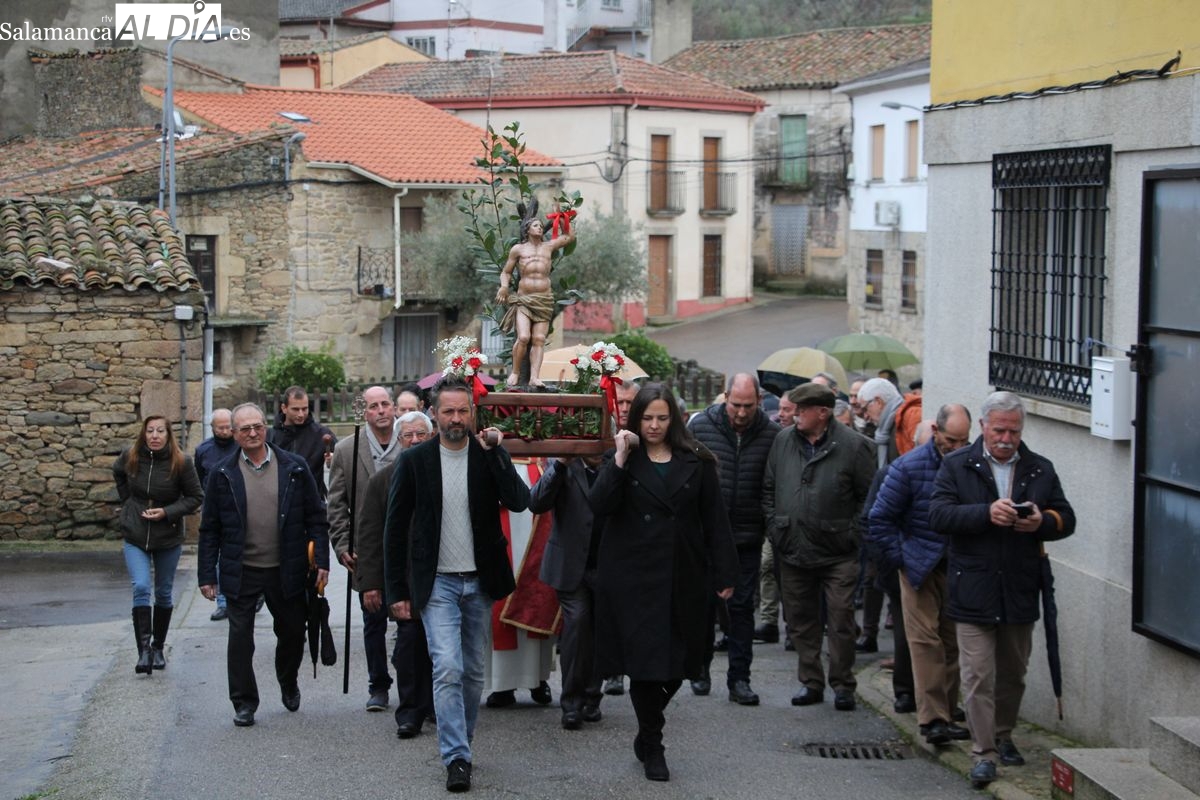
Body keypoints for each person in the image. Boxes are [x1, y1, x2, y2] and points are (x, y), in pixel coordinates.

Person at [383, 378, 530, 793]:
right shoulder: (415, 462)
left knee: (472, 673)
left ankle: (462, 740)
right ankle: (457, 756)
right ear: (433, 413)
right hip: (438, 585)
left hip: (479, 582)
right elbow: (395, 531)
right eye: (448, 411)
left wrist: (498, 451)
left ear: (472, 413)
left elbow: (521, 501)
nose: (455, 419)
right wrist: (397, 592)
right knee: (447, 667)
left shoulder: (486, 457)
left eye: (463, 411)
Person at [589, 383, 738, 782]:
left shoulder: (697, 460)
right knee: (644, 664)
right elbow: (599, 506)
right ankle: (653, 744)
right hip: (631, 577)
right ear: (634, 418)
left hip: (683, 573)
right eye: (647, 417)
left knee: (682, 662)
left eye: (661, 417)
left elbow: (715, 520)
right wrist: (620, 458)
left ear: (674, 419)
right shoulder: (621, 458)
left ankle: (647, 728)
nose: (653, 425)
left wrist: (725, 573)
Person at [930, 391, 1076, 789]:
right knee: (978, 674)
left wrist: (1042, 522)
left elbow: (1067, 518)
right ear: (983, 427)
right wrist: (985, 513)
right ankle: (983, 753)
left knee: (1013, 673)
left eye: (1013, 431)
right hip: (973, 587)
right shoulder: (958, 464)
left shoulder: (1039, 469)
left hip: (1019, 586)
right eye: (999, 430)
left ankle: (1004, 734)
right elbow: (938, 514)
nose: (1006, 438)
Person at [197, 403, 330, 728]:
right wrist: (205, 574)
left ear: (265, 428)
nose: (253, 433)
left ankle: (287, 679)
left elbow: (316, 517)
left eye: (257, 426)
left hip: (287, 568)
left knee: (292, 632)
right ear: (235, 434)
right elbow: (209, 527)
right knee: (240, 637)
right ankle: (244, 702)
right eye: (245, 429)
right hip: (241, 569)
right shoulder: (222, 473)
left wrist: (322, 562)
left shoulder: (294, 468)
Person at [762, 383, 875, 712]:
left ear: (822, 413)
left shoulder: (855, 446)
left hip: (838, 551)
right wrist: (775, 526)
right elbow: (768, 487)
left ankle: (843, 684)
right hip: (793, 547)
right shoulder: (783, 441)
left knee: (840, 619)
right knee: (800, 619)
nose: (794, 414)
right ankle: (810, 681)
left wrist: (852, 535)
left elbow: (868, 499)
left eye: (802, 409)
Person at [869, 404, 973, 746]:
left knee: (952, 642)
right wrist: (903, 557)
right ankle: (932, 720)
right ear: (936, 431)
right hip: (918, 566)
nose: (957, 447)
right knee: (925, 642)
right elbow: (880, 518)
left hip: (956, 566)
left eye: (964, 441)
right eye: (951, 440)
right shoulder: (908, 467)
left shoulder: (971, 466)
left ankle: (946, 711)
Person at [688, 373, 780, 705]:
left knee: (741, 609)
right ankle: (699, 668)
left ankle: (740, 679)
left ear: (759, 401)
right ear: (725, 397)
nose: (741, 413)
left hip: (746, 536)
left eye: (749, 406)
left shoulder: (772, 435)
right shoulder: (700, 428)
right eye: (736, 405)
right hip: (706, 536)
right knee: (703, 607)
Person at [357, 410, 434, 739]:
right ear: (399, 442)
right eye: (408, 436)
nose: (415, 440)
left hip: (442, 576)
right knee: (409, 645)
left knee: (440, 649)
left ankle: (435, 705)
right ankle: (410, 712)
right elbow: (370, 537)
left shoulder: (445, 474)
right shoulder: (382, 481)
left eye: (421, 435)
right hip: (404, 580)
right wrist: (371, 584)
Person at [328, 386, 402, 712]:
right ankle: (378, 685)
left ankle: (414, 682)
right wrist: (342, 544)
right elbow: (336, 503)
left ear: (395, 408)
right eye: (374, 406)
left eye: (386, 404)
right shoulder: (347, 450)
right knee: (373, 620)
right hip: (367, 550)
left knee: (412, 621)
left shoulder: (412, 442)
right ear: (365, 413)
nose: (381, 410)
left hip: (404, 548)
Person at [113, 416, 204, 674]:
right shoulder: (131, 456)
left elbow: (196, 497)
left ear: (168, 435)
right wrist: (129, 503)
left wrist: (167, 512)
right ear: (144, 434)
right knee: (141, 586)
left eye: (160, 431)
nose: (154, 435)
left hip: (167, 535)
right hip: (136, 533)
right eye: (150, 431)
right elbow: (117, 471)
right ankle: (143, 652)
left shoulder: (182, 462)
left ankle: (158, 646)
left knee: (163, 592)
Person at [529, 453, 607, 729]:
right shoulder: (562, 463)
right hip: (570, 564)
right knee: (577, 624)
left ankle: (592, 696)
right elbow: (537, 502)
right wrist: (560, 465)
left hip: (607, 563)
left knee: (599, 631)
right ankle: (571, 703)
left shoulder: (618, 459)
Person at [483, 457, 557, 710]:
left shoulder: (541, 454)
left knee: (537, 595)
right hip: (500, 532)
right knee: (501, 598)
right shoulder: (489, 447)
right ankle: (503, 684)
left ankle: (537, 678)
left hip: (537, 515)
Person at [495, 203, 576, 388]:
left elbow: (569, 236)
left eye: (541, 225)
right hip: (524, 299)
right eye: (536, 225)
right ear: (527, 229)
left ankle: (534, 377)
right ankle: (515, 373)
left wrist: (563, 217)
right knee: (523, 337)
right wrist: (504, 287)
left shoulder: (549, 246)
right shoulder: (518, 249)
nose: (540, 227)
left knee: (539, 339)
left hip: (544, 299)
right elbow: (506, 272)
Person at [601, 379, 641, 699]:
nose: (625, 408)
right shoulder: (603, 432)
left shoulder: (648, 435)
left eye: (630, 403)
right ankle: (612, 671)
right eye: (620, 402)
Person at [194, 408, 237, 621]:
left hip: (239, 507)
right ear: (212, 428)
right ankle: (222, 602)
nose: (225, 431)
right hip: (215, 508)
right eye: (220, 427)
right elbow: (200, 477)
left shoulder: (241, 446)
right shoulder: (203, 450)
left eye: (228, 426)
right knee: (218, 555)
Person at [268, 386, 337, 498]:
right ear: (284, 408)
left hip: (312, 501)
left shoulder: (321, 433)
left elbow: (344, 461)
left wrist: (334, 460)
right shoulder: (270, 436)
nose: (301, 414)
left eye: (304, 409)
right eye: (295, 409)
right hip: (280, 500)